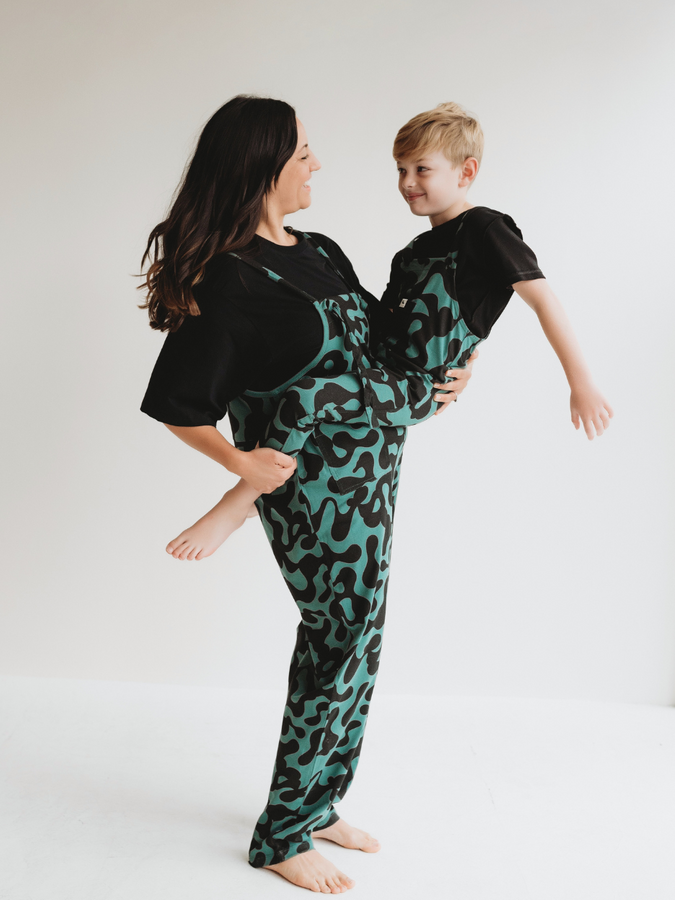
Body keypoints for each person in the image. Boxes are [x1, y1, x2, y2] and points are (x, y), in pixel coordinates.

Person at [139, 95, 476, 894]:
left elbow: (375, 343)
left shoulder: (317, 248)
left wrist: (438, 376)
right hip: (312, 487)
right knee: (338, 634)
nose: (316, 164)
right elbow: (177, 402)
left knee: (363, 637)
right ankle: (282, 834)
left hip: (375, 469)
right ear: (264, 169)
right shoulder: (229, 280)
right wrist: (242, 468)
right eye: (303, 154)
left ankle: (321, 801)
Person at [165, 102, 613, 565]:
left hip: (408, 392)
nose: (407, 183)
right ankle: (245, 498)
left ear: (466, 172)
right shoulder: (412, 252)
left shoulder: (484, 230)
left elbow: (540, 300)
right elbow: (381, 325)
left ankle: (238, 504)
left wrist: (576, 381)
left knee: (309, 396)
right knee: (308, 397)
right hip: (368, 401)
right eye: (401, 169)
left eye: (422, 169)